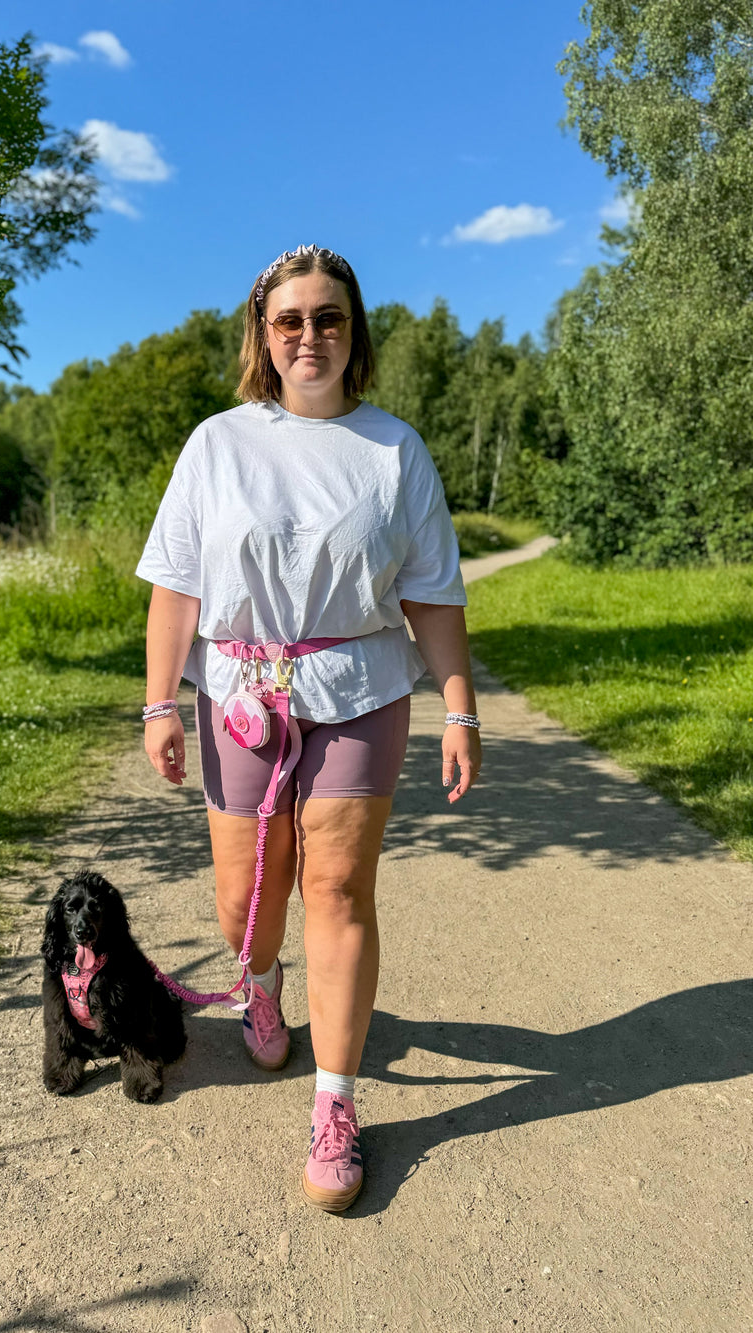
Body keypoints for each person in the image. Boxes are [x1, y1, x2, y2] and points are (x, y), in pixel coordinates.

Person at [136, 244, 481, 1212]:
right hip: (239, 690)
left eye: (328, 318)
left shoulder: (394, 450)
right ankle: (261, 982)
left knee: (335, 884)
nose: (309, 336)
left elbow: (432, 595)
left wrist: (458, 705)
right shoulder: (216, 445)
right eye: (290, 320)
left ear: (352, 332)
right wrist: (161, 700)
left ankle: (335, 1102)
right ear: (264, 334)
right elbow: (177, 585)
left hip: (361, 685)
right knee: (249, 888)